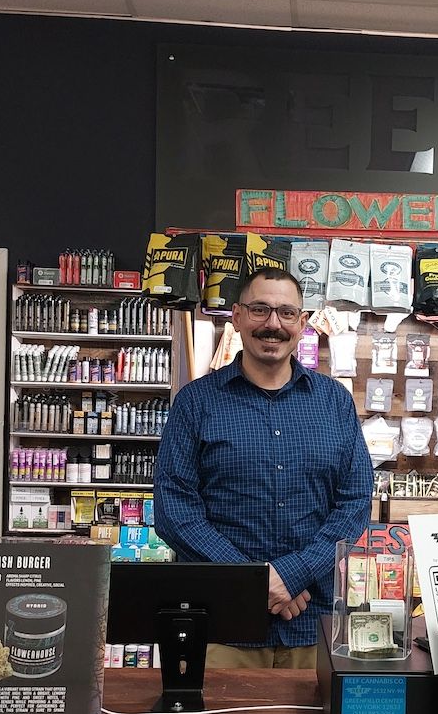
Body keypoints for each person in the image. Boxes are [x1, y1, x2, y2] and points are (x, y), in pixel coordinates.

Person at [154, 266, 374, 669]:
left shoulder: (334, 403)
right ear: (236, 317)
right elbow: (174, 511)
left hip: (315, 625)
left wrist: (293, 574)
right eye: (259, 310)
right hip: (222, 628)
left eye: (286, 313)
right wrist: (252, 580)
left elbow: (355, 501)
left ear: (302, 323)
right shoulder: (196, 403)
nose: (273, 324)